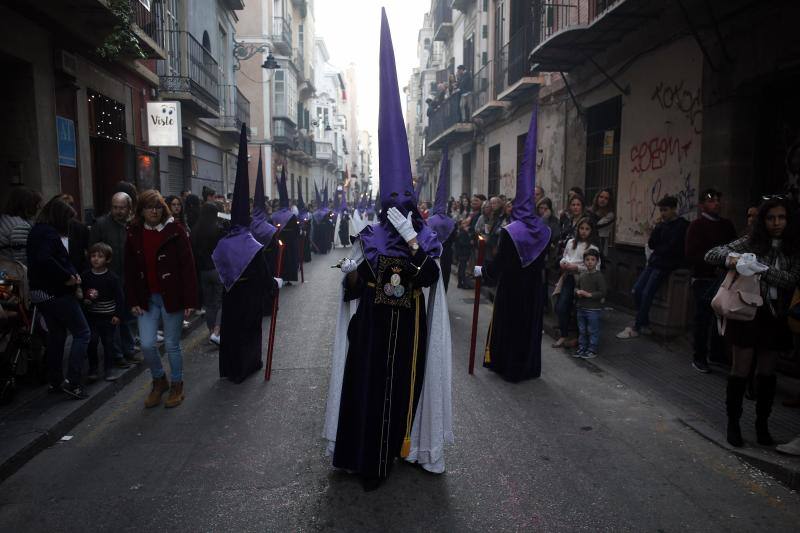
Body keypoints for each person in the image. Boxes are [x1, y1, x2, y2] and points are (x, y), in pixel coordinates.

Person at [324, 11, 449, 489]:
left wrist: (415, 240)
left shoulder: (424, 237)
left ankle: (396, 453)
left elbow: (429, 280)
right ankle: (360, 459)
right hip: (372, 331)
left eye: (404, 202)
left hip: (409, 332)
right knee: (365, 391)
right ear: (382, 204)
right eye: (390, 202)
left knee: (399, 395)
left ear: (412, 203)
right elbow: (350, 285)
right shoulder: (369, 235)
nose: (397, 207)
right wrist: (354, 273)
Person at [705, 197, 800, 447]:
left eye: (782, 217)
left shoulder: (794, 247)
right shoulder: (752, 241)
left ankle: (762, 426)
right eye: (771, 218)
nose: (777, 223)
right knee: (740, 371)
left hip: (775, 316)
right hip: (747, 313)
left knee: (767, 373)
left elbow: (791, 279)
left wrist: (759, 268)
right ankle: (733, 425)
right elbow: (712, 254)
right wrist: (734, 260)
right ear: (763, 220)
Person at [474, 109, 551, 382]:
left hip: (511, 290)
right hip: (533, 291)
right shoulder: (543, 230)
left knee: (510, 326)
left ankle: (508, 367)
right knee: (528, 327)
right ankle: (527, 368)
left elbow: (500, 262)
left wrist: (483, 272)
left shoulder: (511, 231)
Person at [214, 131, 279, 383]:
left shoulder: (225, 241)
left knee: (231, 332)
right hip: (249, 297)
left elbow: (218, 265)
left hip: (230, 297)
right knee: (248, 333)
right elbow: (262, 273)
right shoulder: (250, 243)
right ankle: (245, 367)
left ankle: (228, 369)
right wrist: (273, 286)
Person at [124, 189, 198, 408]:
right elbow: (128, 269)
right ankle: (159, 381)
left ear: (162, 209)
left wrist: (190, 301)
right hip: (147, 298)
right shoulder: (134, 232)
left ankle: (177, 385)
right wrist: (133, 300)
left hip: (172, 297)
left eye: (157, 207)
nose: (153, 211)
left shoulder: (175, 230)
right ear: (142, 210)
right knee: (147, 344)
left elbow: (188, 268)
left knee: (171, 344)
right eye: (149, 207)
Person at [27, 197, 90, 399]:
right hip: (56, 293)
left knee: (57, 335)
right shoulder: (48, 234)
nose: (69, 225)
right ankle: (73, 381)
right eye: (68, 220)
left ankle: (55, 381)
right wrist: (67, 278)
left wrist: (71, 274)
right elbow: (45, 259)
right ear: (60, 218)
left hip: (40, 294)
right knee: (82, 333)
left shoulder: (37, 231)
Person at [617, 195, 689, 339]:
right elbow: (652, 244)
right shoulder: (662, 225)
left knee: (647, 293)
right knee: (637, 290)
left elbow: (672, 247)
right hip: (654, 262)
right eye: (661, 210)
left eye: (666, 210)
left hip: (666, 264)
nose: (663, 213)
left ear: (674, 209)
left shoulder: (681, 225)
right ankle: (644, 323)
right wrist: (658, 228)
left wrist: (660, 247)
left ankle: (637, 326)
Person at [684, 189, 737, 373]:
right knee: (703, 319)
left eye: (717, 200)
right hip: (704, 279)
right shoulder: (696, 226)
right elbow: (691, 254)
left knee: (721, 319)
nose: (716, 203)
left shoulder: (727, 225)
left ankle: (717, 354)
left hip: (724, 279)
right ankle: (699, 357)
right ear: (702, 205)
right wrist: (712, 262)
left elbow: (734, 246)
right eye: (711, 200)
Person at [89, 191, 140, 365]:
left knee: (126, 317)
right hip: (107, 280)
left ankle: (129, 349)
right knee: (113, 320)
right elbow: (93, 250)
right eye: (115, 207)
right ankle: (117, 355)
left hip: (127, 278)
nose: (118, 211)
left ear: (129, 208)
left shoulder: (131, 225)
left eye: (122, 208)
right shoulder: (101, 225)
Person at [82, 242, 127, 382]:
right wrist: (84, 299)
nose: (96, 259)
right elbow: (81, 294)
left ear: (107, 259)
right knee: (92, 341)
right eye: (93, 256)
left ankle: (109, 369)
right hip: (92, 317)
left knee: (108, 343)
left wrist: (118, 315)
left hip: (108, 317)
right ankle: (93, 369)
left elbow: (120, 298)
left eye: (100, 256)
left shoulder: (112, 278)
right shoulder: (86, 276)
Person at [553, 218, 600, 348]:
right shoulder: (571, 242)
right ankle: (564, 334)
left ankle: (581, 339)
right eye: (581, 228)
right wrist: (563, 263)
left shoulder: (593, 247)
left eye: (587, 229)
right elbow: (565, 256)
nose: (584, 232)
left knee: (582, 310)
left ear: (591, 231)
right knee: (562, 306)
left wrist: (577, 268)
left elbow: (597, 267)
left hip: (585, 280)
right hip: (569, 277)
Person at [192, 203, 225, 344]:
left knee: (209, 303)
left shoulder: (195, 230)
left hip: (203, 271)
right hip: (216, 268)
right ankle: (217, 330)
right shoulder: (217, 230)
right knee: (220, 301)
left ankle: (211, 330)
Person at [428, 148, 456, 292]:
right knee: (445, 276)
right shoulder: (451, 222)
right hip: (447, 254)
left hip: (433, 253)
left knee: (433, 277)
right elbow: (454, 238)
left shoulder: (429, 221)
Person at [574, 248, 606, 359]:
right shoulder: (582, 275)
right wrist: (577, 292)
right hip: (581, 307)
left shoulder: (599, 276)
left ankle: (592, 349)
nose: (590, 262)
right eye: (587, 259)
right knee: (582, 330)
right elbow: (576, 287)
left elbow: (603, 292)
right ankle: (582, 348)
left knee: (592, 330)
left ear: (597, 261)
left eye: (593, 259)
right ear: (584, 261)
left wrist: (590, 295)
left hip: (593, 309)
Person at [0, 186, 42, 266]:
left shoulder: (6, 219)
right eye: (36, 204)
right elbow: (22, 260)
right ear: (27, 205)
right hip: (13, 274)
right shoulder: (19, 226)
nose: (38, 208)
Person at [590, 188, 615, 255]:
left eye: (606, 198)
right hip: (588, 242)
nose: (603, 200)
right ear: (597, 197)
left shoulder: (610, 215)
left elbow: (595, 225)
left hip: (601, 243)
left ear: (609, 201)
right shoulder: (591, 211)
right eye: (601, 197)